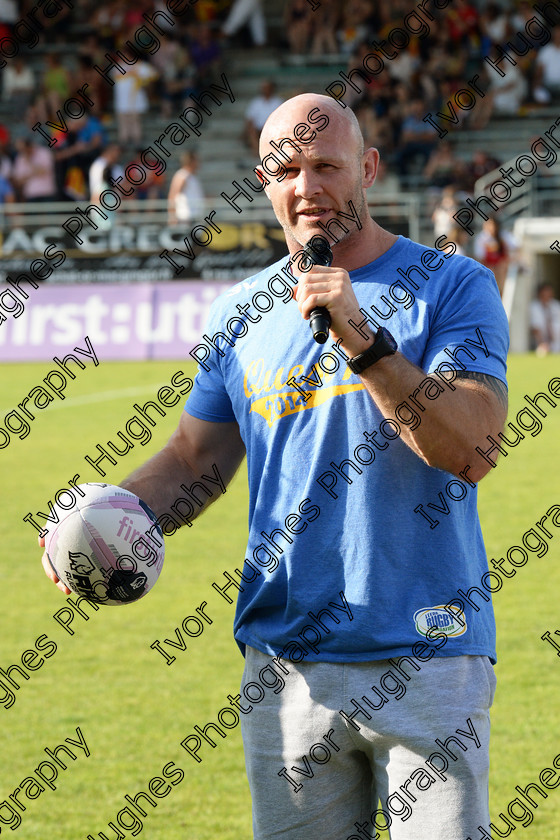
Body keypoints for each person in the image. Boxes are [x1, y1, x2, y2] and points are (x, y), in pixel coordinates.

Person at [42, 93, 509, 840]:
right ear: (265, 180)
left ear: (368, 168)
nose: (308, 186)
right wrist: (104, 520)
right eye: (287, 168)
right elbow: (195, 459)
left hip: (428, 653)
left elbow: (473, 448)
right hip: (285, 665)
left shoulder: (454, 285)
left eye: (327, 165)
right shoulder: (240, 311)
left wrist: (364, 340)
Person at [474, 216, 517, 297]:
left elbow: (515, 246)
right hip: (489, 267)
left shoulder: (503, 235)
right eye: (488, 225)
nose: (491, 228)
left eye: (492, 225)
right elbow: (480, 256)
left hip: (501, 267)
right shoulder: (481, 238)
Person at [244, 80, 283, 155]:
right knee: (251, 129)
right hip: (258, 129)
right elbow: (250, 119)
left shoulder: (278, 101)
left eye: (267, 87)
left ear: (272, 88)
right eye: (263, 88)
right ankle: (256, 152)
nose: (265, 90)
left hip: (273, 129)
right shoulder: (255, 102)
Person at [167, 151, 205, 223]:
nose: (199, 163)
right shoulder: (182, 175)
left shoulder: (192, 176)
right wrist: (172, 215)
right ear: (191, 161)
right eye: (196, 160)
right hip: (185, 216)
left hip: (195, 215)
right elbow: (173, 195)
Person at [530, 281, 560, 355]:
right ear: (540, 294)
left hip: (557, 342)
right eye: (544, 294)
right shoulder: (534, 307)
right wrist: (542, 344)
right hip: (542, 344)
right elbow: (535, 328)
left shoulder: (556, 306)